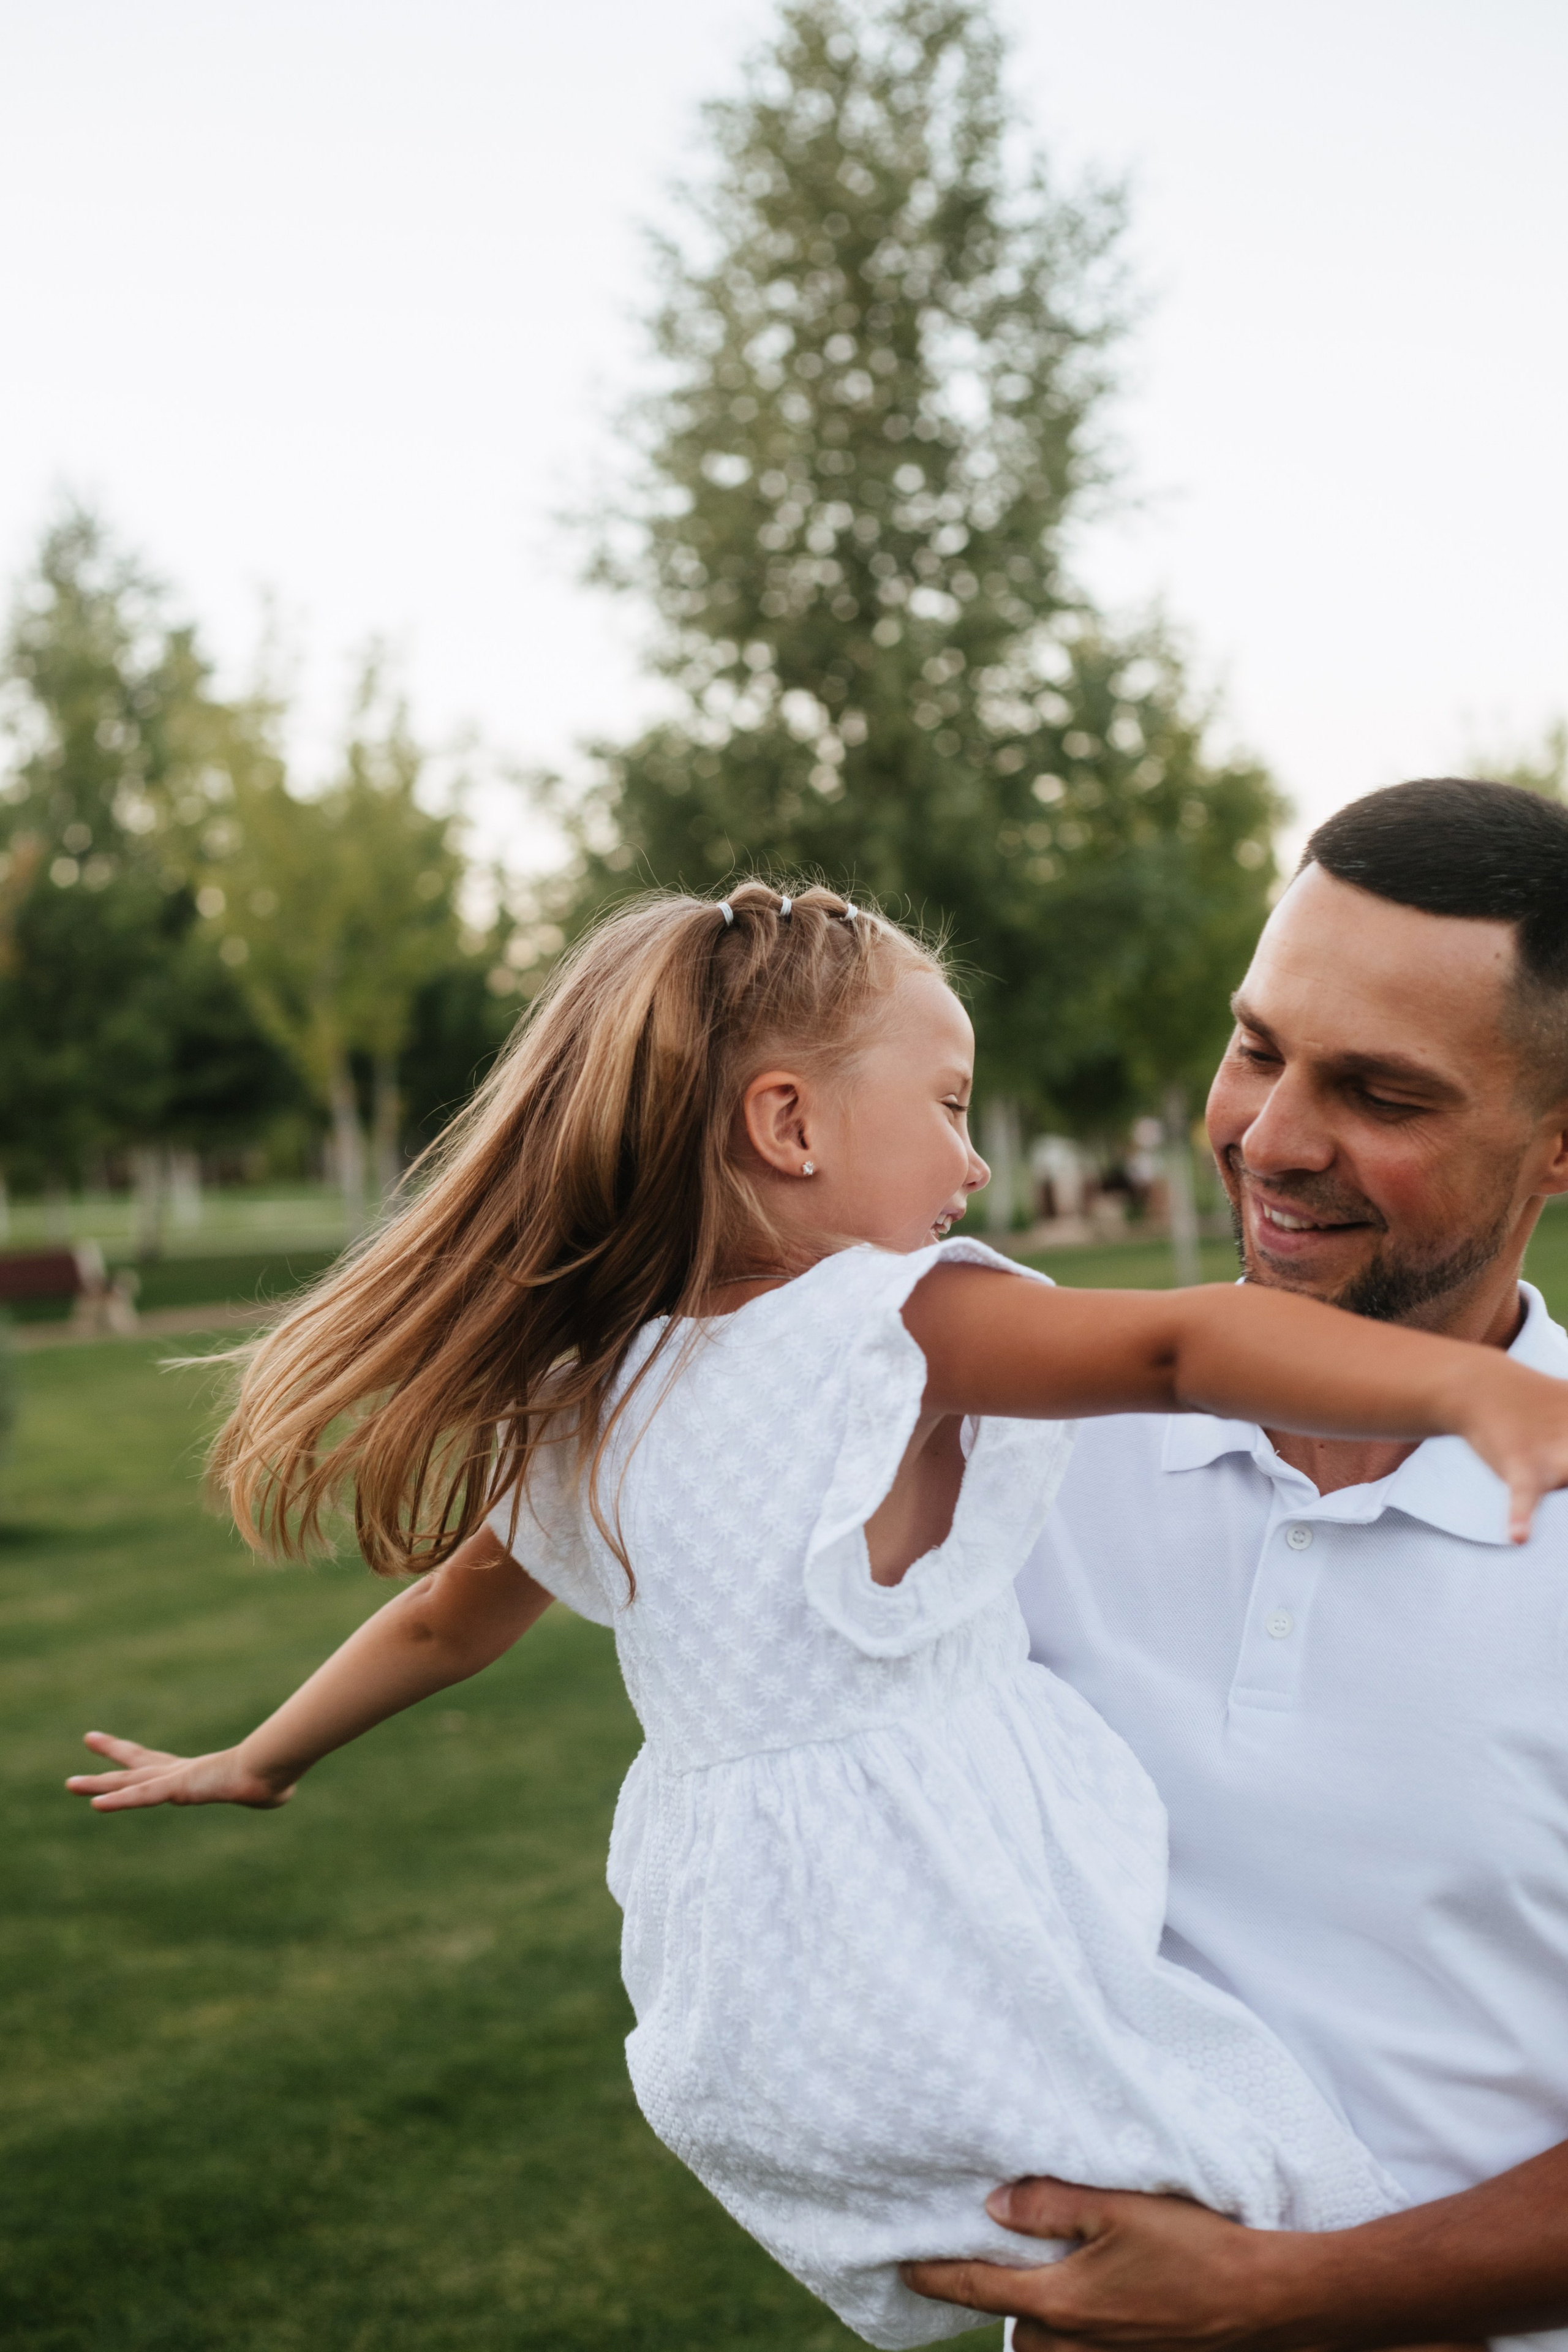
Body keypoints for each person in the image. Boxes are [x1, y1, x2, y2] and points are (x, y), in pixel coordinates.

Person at [66, 880, 1568, 2348]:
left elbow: (448, 1620)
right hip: (944, 1894)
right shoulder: (895, 1331)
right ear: (788, 1125)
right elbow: (1179, 1351)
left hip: (743, 1967)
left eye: (1379, 1089)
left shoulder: (597, 1396)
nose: (971, 1172)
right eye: (947, 1109)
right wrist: (1465, 1388)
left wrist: (268, 1754)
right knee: (1158, 2148)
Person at [906, 778, 1568, 2351]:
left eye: (1379, 1097)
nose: (1267, 1141)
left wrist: (1277, 2297)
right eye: (1256, 1046)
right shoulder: (1012, 1443)